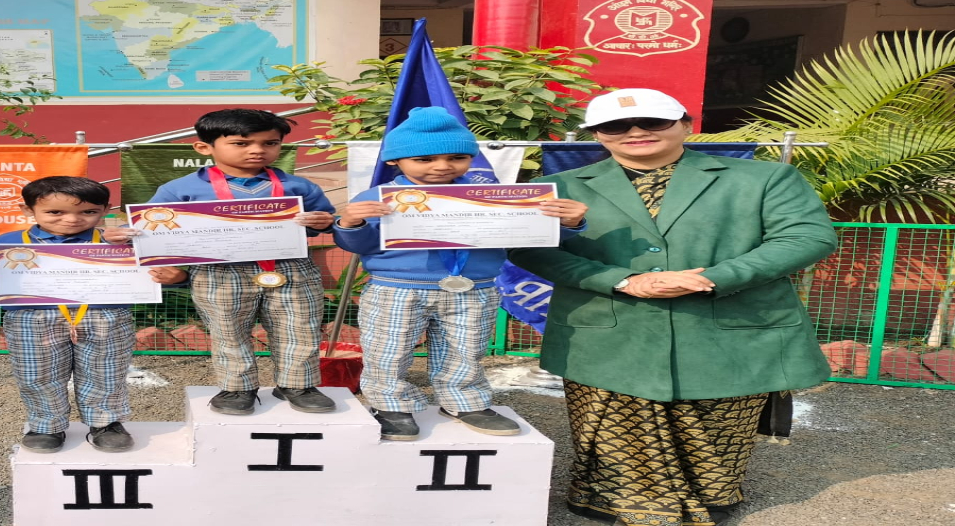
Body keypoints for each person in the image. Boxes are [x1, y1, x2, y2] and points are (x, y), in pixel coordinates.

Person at [507, 88, 836, 526]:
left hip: (729, 326)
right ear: (597, 134)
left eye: (653, 122)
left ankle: (712, 498)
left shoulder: (765, 178)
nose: (635, 132)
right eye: (615, 125)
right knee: (615, 433)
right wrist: (624, 280)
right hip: (608, 332)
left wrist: (712, 278)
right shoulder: (558, 188)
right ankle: (616, 503)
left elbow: (806, 237)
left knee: (718, 426)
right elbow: (528, 248)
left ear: (686, 124)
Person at [333, 107, 587, 440]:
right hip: (395, 288)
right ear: (394, 160)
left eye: (457, 157)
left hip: (474, 288)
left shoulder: (495, 198)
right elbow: (359, 245)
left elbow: (530, 236)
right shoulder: (376, 199)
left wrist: (568, 223)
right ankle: (390, 404)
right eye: (424, 159)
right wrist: (351, 223)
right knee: (388, 350)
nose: (442, 166)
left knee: (466, 350)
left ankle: (464, 401)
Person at [0, 176, 187, 453]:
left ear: (105, 211)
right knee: (37, 372)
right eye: (55, 212)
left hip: (106, 316)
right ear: (28, 210)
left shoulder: (121, 241)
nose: (72, 220)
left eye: (88, 211)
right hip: (31, 318)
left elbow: (160, 272)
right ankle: (46, 425)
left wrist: (177, 277)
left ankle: (105, 423)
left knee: (106, 370)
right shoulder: (7, 243)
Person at [127, 108, 339, 415]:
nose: (257, 150)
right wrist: (130, 238)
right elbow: (153, 230)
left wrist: (323, 222)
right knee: (227, 331)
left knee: (299, 328)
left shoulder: (299, 187)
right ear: (204, 147)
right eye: (241, 143)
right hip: (218, 271)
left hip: (290, 268)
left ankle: (297, 384)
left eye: (270, 143)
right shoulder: (179, 190)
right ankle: (237, 387)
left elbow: (327, 221)